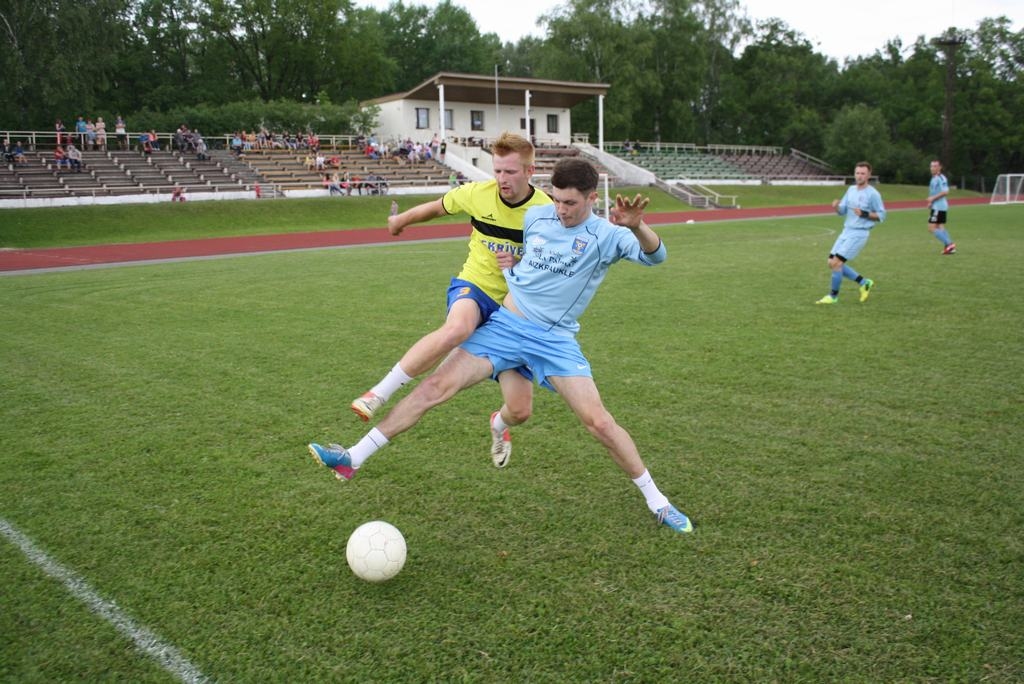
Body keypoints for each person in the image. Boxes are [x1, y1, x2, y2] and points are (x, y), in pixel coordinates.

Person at [309, 156, 693, 533]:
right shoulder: (537, 216)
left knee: (597, 423)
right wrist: (514, 266)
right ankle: (352, 457)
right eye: (557, 199)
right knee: (434, 387)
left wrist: (638, 227)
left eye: (570, 203)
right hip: (506, 327)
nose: (560, 210)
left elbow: (657, 255)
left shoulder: (608, 235)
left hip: (554, 341)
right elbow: (535, 257)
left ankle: (658, 502)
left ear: (592, 198)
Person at [347, 132, 552, 432]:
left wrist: (520, 263)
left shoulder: (546, 211)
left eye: (510, 171)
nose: (501, 178)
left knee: (520, 411)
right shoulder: (477, 193)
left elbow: (553, 264)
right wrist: (400, 221)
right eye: (497, 170)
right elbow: (435, 208)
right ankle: (377, 393)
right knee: (458, 328)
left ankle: (498, 424)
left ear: (529, 171)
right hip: (475, 286)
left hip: (513, 311)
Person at [817, 161, 887, 304]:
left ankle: (833, 296)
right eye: (857, 173)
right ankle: (864, 283)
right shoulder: (851, 189)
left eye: (863, 173)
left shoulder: (873, 194)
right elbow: (842, 211)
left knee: (836, 263)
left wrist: (864, 214)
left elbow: (881, 216)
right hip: (846, 231)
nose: (859, 176)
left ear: (869, 175)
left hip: (859, 233)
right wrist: (836, 207)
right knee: (831, 262)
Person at [927, 160, 956, 255]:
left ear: (940, 167)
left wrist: (933, 198)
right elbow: (934, 192)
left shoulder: (941, 178)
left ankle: (950, 244)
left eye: (935, 166)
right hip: (936, 205)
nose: (932, 168)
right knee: (940, 226)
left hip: (939, 207)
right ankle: (949, 247)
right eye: (931, 166)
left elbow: (945, 192)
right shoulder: (933, 178)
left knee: (931, 228)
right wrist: (931, 202)